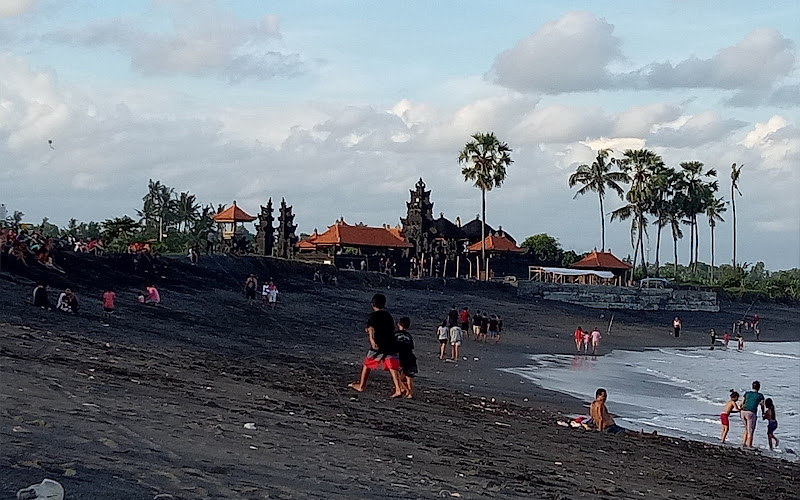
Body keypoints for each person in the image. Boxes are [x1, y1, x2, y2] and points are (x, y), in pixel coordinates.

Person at [348, 293, 403, 397]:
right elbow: (391, 328)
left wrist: (372, 341)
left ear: (373, 304)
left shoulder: (373, 316)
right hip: (390, 342)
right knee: (392, 366)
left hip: (379, 344)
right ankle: (398, 389)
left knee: (367, 364)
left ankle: (361, 386)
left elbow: (371, 329)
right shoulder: (388, 315)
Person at [394, 316, 417, 398]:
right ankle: (409, 392)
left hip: (401, 357)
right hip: (410, 356)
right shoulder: (409, 335)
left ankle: (406, 390)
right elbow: (411, 346)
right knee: (409, 375)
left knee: (399, 376)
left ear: (399, 324)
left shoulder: (396, 334)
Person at [740, 380, 766, 448]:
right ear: (759, 388)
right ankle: (749, 445)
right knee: (750, 431)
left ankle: (744, 443)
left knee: (746, 429)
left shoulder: (747, 393)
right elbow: (762, 405)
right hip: (751, 413)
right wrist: (763, 413)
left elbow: (741, 403)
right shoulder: (760, 396)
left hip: (743, 412)